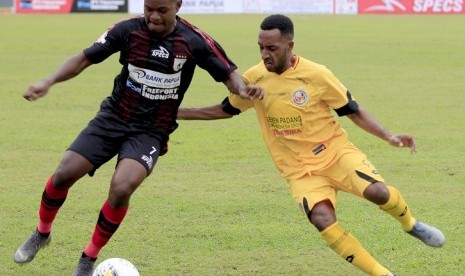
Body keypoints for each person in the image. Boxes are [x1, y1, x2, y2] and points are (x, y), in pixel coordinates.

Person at [177, 14, 445, 275]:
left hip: (336, 154)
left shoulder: (317, 74)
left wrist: (388, 136)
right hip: (298, 170)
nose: (264, 54)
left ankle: (410, 224)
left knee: (378, 193)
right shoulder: (254, 78)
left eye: (271, 48)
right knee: (322, 220)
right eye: (260, 47)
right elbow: (226, 109)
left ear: (289, 46)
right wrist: (174, 112)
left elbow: (352, 110)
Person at [14, 0, 263, 275]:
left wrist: (243, 89)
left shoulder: (194, 40)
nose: (153, 16)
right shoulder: (127, 30)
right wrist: (48, 81)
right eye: (148, 8)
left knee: (122, 188)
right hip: (113, 117)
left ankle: (88, 258)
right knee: (64, 173)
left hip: (151, 129)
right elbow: (85, 57)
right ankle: (41, 234)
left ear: (178, 5)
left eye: (162, 10)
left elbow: (229, 75)